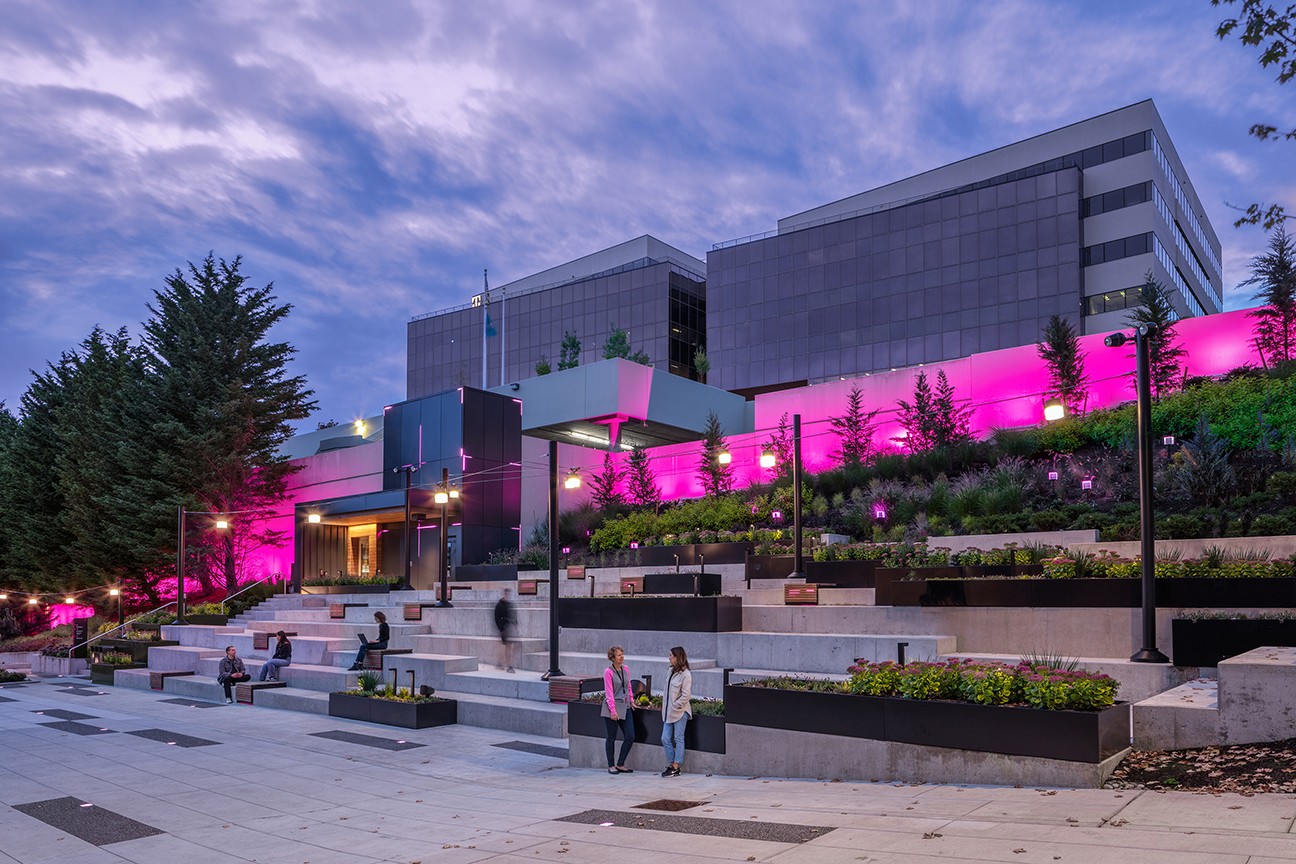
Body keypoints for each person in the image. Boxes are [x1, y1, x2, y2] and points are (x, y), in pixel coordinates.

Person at [602, 645, 635, 774]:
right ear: (612, 657)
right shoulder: (608, 672)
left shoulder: (625, 669)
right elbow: (609, 693)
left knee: (630, 736)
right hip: (613, 708)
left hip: (625, 706)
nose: (622, 657)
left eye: (622, 654)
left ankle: (620, 763)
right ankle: (611, 765)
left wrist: (631, 701)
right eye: (619, 655)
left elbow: (629, 687)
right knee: (611, 737)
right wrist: (613, 711)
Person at [660, 646, 693, 777]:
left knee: (678, 738)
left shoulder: (686, 674)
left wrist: (675, 705)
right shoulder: (671, 671)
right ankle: (673, 763)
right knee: (665, 738)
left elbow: (686, 695)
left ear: (677, 657)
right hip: (668, 712)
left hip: (680, 712)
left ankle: (675, 766)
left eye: (671, 656)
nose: (669, 658)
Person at [494, 589, 517, 673]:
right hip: (504, 628)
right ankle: (507, 665)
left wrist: (515, 624)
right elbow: (497, 618)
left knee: (508, 647)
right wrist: (501, 629)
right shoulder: (499, 605)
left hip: (509, 627)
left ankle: (502, 663)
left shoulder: (509, 604)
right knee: (506, 647)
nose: (508, 595)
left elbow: (513, 615)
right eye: (507, 593)